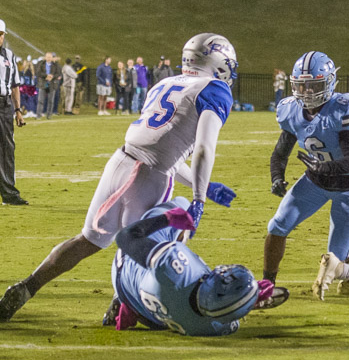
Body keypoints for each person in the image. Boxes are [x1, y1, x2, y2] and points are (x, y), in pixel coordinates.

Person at [0, 34, 240, 322]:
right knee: (153, 247)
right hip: (150, 178)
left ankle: (27, 286)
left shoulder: (166, 83)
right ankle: (123, 307)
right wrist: (199, 198)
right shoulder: (215, 89)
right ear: (219, 63)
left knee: (86, 240)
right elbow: (203, 147)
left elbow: (160, 145)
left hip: (121, 162)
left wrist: (205, 186)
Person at [262, 51, 349, 294]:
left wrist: (324, 167)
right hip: (315, 182)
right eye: (303, 86)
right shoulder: (290, 111)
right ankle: (268, 283)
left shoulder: (342, 108)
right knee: (278, 224)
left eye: (314, 85)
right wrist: (277, 176)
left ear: (329, 83)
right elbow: (280, 153)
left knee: (335, 259)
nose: (308, 92)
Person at [108, 199, 265, 336]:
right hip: (153, 319)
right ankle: (132, 310)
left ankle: (121, 298)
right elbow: (229, 311)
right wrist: (247, 300)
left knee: (182, 205)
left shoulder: (172, 266)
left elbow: (125, 238)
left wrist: (167, 219)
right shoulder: (214, 329)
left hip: (123, 273)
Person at [0, 19, 28, 205]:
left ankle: (10, 195)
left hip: (4, 106)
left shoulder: (9, 55)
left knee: (7, 150)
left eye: (1, 35)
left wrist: (18, 110)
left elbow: (15, 85)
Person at [35, 51, 61, 119]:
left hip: (52, 84)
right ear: (45, 57)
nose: (49, 58)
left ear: (52, 58)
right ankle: (38, 115)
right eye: (47, 57)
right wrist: (46, 76)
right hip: (43, 84)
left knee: (51, 101)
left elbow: (58, 73)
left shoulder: (56, 65)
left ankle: (49, 115)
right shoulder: (41, 64)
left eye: (50, 57)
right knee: (40, 100)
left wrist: (52, 76)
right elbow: (38, 72)